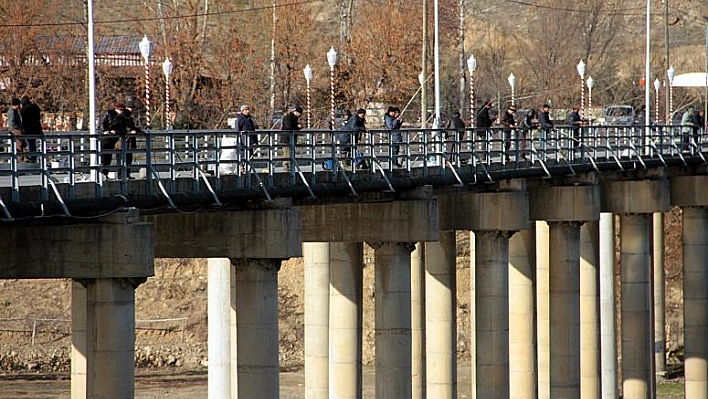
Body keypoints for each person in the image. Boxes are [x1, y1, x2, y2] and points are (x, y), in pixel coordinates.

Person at [100, 102, 140, 179]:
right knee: (106, 157)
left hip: (120, 139)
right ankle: (105, 174)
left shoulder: (125, 117)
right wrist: (106, 131)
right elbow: (104, 123)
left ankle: (122, 175)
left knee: (123, 158)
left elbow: (125, 128)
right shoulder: (113, 114)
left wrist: (135, 130)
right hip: (113, 140)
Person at [20, 96, 43, 163]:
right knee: (33, 143)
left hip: (29, 129)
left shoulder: (24, 109)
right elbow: (38, 117)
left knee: (29, 143)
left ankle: (31, 157)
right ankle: (34, 157)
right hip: (37, 128)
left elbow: (24, 121)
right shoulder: (35, 107)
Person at [280, 106, 303, 171]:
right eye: (300, 114)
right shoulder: (288, 117)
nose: (300, 116)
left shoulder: (294, 118)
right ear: (297, 112)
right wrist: (297, 127)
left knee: (291, 153)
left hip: (291, 139)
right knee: (287, 153)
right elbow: (288, 127)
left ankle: (290, 167)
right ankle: (286, 168)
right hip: (287, 138)